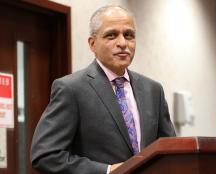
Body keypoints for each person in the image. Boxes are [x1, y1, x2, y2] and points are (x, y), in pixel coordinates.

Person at [30, 5, 175, 174]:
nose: (122, 43)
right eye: (111, 35)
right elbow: (45, 155)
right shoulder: (71, 89)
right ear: (92, 44)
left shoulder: (153, 90)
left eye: (129, 35)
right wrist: (107, 171)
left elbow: (170, 149)